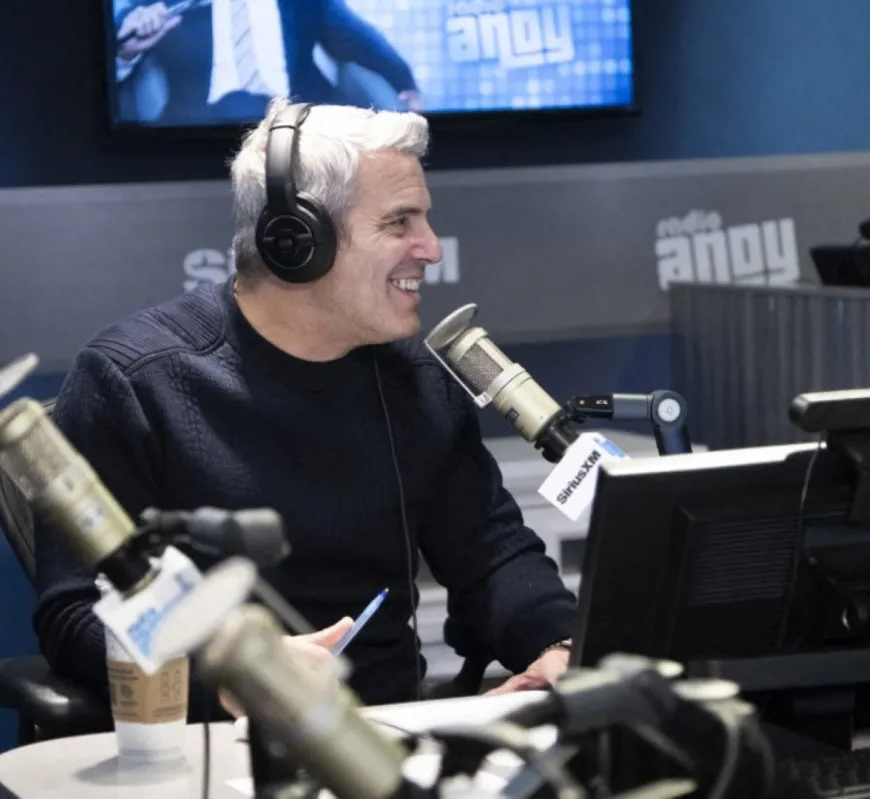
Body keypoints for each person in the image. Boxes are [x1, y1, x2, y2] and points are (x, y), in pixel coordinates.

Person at [32, 99, 577, 721]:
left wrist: (557, 645)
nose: (430, 248)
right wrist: (228, 672)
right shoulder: (133, 382)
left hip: (391, 743)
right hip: (211, 752)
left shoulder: (419, 382)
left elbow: (492, 554)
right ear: (297, 241)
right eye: (400, 224)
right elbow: (74, 613)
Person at [112, 0, 421, 124]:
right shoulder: (157, 6)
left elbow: (358, 40)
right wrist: (125, 53)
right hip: (205, 131)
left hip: (308, 125)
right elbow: (114, 52)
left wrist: (404, 83)